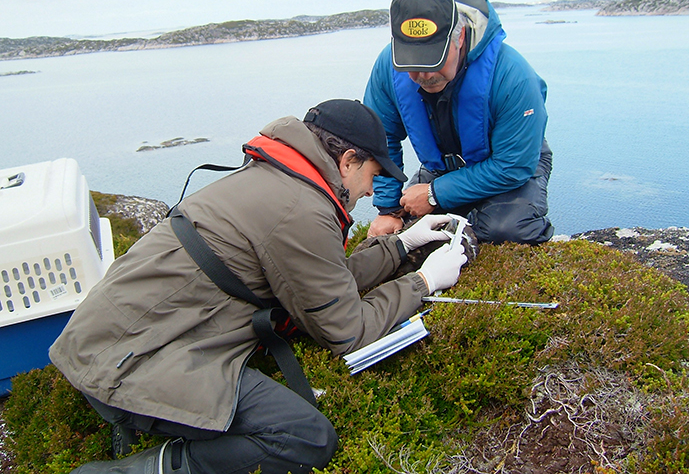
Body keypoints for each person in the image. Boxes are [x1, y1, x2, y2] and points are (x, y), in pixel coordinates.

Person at [49, 99, 468, 474]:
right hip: (129, 362)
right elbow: (347, 330)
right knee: (305, 438)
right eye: (373, 173)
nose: (373, 188)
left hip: (109, 339)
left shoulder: (277, 176)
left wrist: (400, 246)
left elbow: (320, 281)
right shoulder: (301, 208)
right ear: (348, 161)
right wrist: (424, 280)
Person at [363, 0, 554, 245]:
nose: (424, 76)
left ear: (460, 37)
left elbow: (513, 165)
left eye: (433, 61)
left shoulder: (514, 76)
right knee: (408, 234)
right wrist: (388, 209)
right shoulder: (388, 66)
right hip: (442, 169)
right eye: (412, 64)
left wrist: (434, 194)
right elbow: (381, 138)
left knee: (506, 231)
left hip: (508, 165)